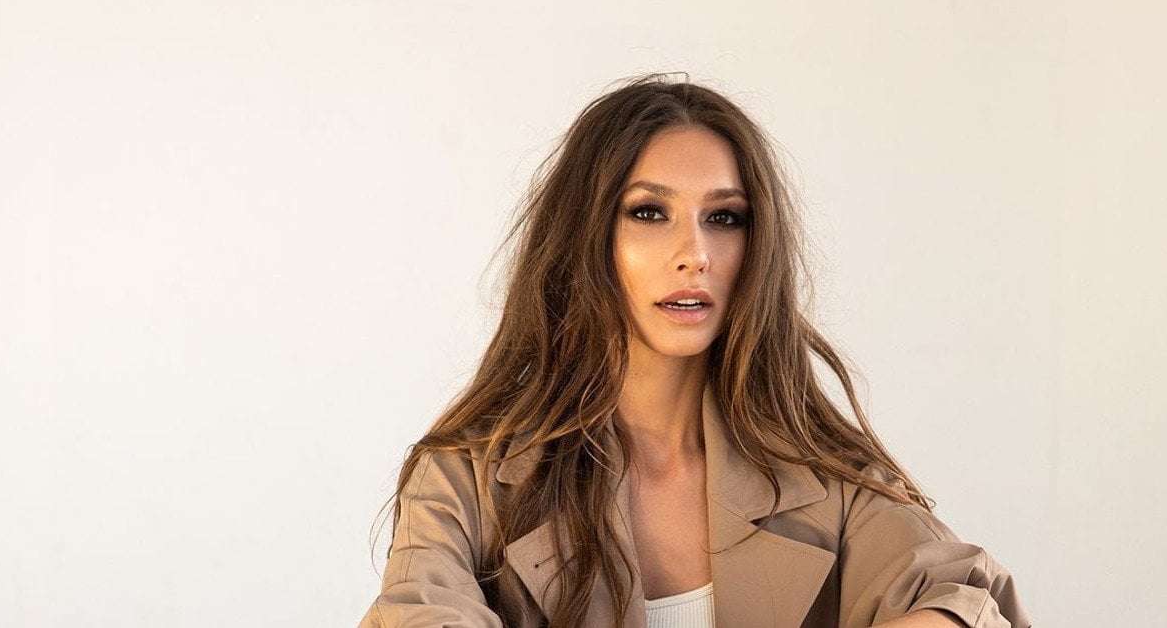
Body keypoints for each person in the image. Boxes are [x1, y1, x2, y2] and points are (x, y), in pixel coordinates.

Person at [357, 73, 1031, 628]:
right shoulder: (466, 479)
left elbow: (971, 601)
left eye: (724, 217)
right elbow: (419, 613)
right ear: (586, 237)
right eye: (649, 212)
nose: (695, 254)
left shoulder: (833, 482)